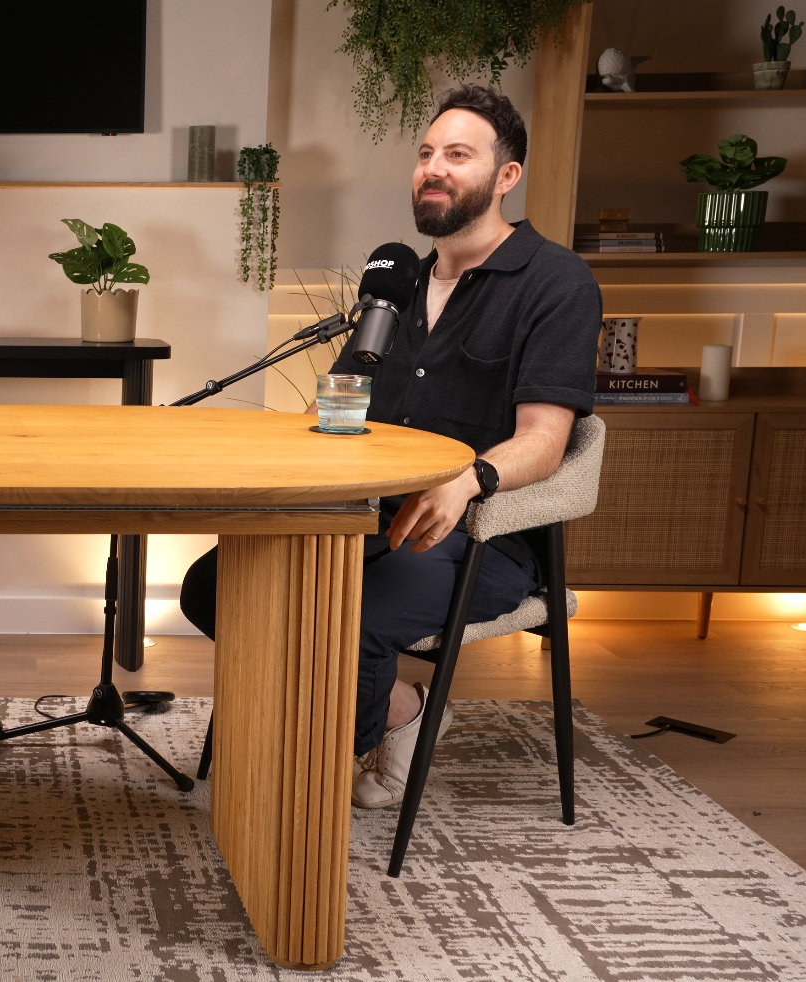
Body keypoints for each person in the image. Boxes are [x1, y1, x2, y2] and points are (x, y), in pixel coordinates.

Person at [179, 85, 600, 809]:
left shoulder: (553, 282)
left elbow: (546, 439)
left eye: (458, 156)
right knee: (213, 587)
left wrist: (468, 481)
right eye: (426, 154)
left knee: (353, 615)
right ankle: (401, 711)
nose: (433, 169)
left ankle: (302, 780)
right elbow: (337, 403)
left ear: (506, 176)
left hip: (479, 534)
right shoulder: (398, 284)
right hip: (367, 515)